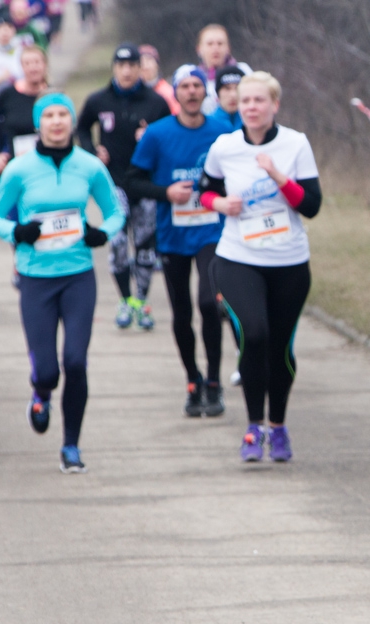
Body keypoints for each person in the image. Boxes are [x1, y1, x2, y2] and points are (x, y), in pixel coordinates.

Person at [0, 93, 125, 473]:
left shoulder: (90, 166)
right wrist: (18, 231)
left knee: (75, 362)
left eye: (63, 114)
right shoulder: (19, 169)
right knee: (48, 370)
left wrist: (102, 233)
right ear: (39, 124)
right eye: (49, 116)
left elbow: (115, 212)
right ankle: (41, 392)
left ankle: (71, 446)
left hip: (78, 276)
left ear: (73, 122)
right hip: (36, 278)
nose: (57, 122)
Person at [198, 71, 321, 461]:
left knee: (280, 347)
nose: (251, 107)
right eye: (245, 100)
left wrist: (278, 175)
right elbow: (205, 191)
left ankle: (279, 427)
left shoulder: (295, 144)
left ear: (274, 105)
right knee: (254, 332)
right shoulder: (224, 146)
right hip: (238, 257)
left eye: (259, 100)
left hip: (289, 261)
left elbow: (312, 205)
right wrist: (218, 204)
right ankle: (253, 428)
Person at [128, 65, 230, 416]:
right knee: (182, 312)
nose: (190, 92)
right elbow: (133, 180)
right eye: (184, 86)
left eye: (196, 86)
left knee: (207, 303)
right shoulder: (157, 134)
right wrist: (164, 192)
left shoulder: (222, 130)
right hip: (172, 235)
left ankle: (215, 381)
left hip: (211, 232)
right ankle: (193, 379)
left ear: (205, 93)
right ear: (176, 92)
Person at [76, 42, 170, 329]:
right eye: (122, 65)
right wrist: (93, 150)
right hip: (112, 181)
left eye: (132, 65)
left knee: (144, 248)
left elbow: (169, 137)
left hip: (144, 183)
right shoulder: (98, 100)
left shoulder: (155, 102)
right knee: (117, 243)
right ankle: (125, 300)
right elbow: (81, 127)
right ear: (115, 67)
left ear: (141, 68)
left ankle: (141, 301)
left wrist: (151, 137)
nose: (127, 71)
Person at [0, 43, 46, 169]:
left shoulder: (53, 95)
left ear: (45, 65)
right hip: (14, 164)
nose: (33, 68)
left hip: (46, 162)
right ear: (21, 67)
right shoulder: (8, 94)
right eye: (28, 63)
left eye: (37, 62)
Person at [194, 24, 248, 115]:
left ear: (228, 48)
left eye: (220, 43)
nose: (215, 48)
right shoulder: (194, 78)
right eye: (210, 44)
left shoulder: (243, 70)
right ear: (199, 49)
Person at [137, 44, 178, 115]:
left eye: (149, 60)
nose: (145, 65)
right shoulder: (132, 93)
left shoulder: (168, 92)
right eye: (141, 61)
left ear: (157, 65)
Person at [208, 64, 241, 129]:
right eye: (227, 88)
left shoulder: (254, 124)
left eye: (237, 88)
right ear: (218, 93)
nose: (233, 94)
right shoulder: (209, 125)